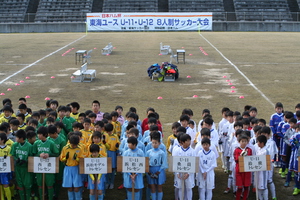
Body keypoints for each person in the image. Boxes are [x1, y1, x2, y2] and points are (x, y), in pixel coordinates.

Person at [32, 126, 59, 200]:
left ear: (45, 134)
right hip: (39, 167)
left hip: (49, 167)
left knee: (50, 185)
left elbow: (56, 154)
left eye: (40, 134)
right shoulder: (36, 143)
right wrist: (39, 155)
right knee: (40, 185)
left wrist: (49, 155)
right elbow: (33, 153)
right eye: (38, 134)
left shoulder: (51, 143)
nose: (38, 136)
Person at [11, 129, 33, 200]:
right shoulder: (15, 145)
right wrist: (16, 159)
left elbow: (32, 156)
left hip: (26, 168)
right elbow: (12, 155)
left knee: (27, 184)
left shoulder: (29, 146)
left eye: (17, 137)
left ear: (21, 138)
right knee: (19, 184)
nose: (15, 139)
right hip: (18, 168)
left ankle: (28, 197)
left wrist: (26, 161)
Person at [60, 134, 84, 200]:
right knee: (70, 188)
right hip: (68, 168)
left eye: (76, 144)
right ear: (70, 142)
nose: (74, 146)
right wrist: (66, 158)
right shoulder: (65, 148)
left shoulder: (80, 148)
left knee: (76, 188)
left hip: (76, 168)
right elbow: (61, 159)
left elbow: (82, 160)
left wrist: (77, 159)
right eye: (73, 144)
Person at [145, 132, 168, 200]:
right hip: (151, 170)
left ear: (159, 143)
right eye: (153, 143)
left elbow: (164, 163)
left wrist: (160, 170)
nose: (154, 144)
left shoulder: (161, 152)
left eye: (156, 143)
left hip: (159, 171)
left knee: (159, 187)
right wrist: (148, 170)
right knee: (152, 187)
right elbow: (146, 162)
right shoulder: (148, 152)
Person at [172, 134, 195, 200]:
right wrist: (177, 173)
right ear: (182, 142)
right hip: (180, 173)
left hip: (189, 173)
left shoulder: (192, 151)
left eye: (189, 141)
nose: (189, 142)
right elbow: (175, 162)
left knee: (189, 188)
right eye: (187, 141)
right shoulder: (177, 151)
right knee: (180, 188)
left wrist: (188, 173)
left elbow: (193, 163)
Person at [48, 125, 67, 198]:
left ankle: (57, 193)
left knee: (58, 178)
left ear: (55, 133)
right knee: (51, 179)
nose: (49, 135)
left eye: (50, 134)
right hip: (50, 162)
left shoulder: (62, 140)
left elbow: (63, 153)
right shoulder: (49, 139)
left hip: (59, 163)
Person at [234, 134, 252, 200]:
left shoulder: (249, 150)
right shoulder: (237, 150)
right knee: (240, 187)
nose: (244, 143)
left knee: (246, 186)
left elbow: (250, 159)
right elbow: (236, 159)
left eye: (245, 141)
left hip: (247, 170)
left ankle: (245, 198)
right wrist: (241, 156)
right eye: (242, 141)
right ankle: (238, 198)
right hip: (239, 170)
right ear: (239, 142)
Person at [103, 123, 120, 189]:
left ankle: (112, 182)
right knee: (107, 168)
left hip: (113, 153)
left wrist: (117, 146)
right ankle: (107, 182)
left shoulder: (115, 136)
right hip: (106, 152)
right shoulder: (104, 135)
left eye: (109, 131)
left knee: (112, 169)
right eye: (107, 131)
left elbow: (118, 144)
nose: (108, 132)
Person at [255, 135, 269, 200]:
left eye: (258, 142)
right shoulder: (258, 149)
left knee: (263, 186)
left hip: (263, 172)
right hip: (258, 171)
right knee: (258, 186)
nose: (257, 143)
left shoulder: (265, 151)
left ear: (262, 143)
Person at [0, 133, 12, 200]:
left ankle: (9, 198)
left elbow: (10, 158)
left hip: (5, 170)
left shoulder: (8, 148)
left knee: (6, 185)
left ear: (2, 140)